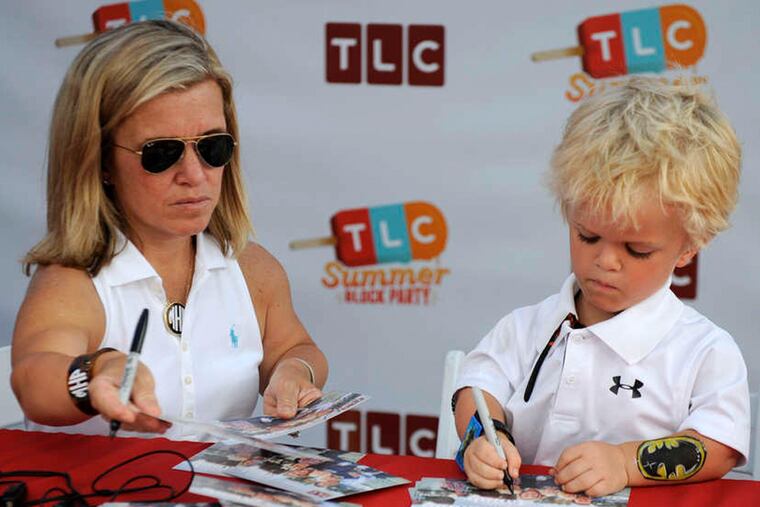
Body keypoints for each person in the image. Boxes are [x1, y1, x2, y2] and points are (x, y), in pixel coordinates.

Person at [11, 20, 327, 437]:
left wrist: (293, 371)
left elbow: (294, 348)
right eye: (161, 153)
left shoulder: (252, 268)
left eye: (214, 146)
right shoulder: (72, 281)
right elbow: (34, 379)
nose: (194, 175)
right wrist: (97, 371)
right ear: (101, 161)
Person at [453, 77, 749, 496]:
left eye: (637, 249)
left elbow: (718, 446)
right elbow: (476, 388)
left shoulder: (705, 351)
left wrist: (625, 462)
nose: (606, 261)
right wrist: (483, 439)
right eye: (587, 236)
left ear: (690, 246)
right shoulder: (526, 327)